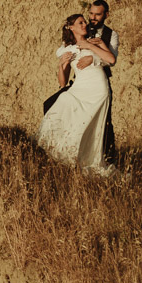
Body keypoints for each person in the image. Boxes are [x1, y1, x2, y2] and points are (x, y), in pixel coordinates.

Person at [36, 13, 116, 173]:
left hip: (97, 86)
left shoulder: (95, 41)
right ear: (71, 27)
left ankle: (87, 158)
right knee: (64, 100)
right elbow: (62, 83)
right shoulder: (67, 50)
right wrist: (61, 65)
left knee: (89, 124)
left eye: (85, 22)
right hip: (80, 86)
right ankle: (65, 154)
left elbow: (111, 60)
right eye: (80, 23)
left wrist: (90, 47)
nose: (85, 24)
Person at [85, 0, 120, 166]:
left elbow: (111, 60)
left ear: (106, 15)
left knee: (105, 121)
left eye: (97, 14)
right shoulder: (82, 29)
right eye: (91, 13)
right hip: (82, 81)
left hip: (101, 81)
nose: (93, 17)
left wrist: (93, 56)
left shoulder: (112, 35)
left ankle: (107, 160)